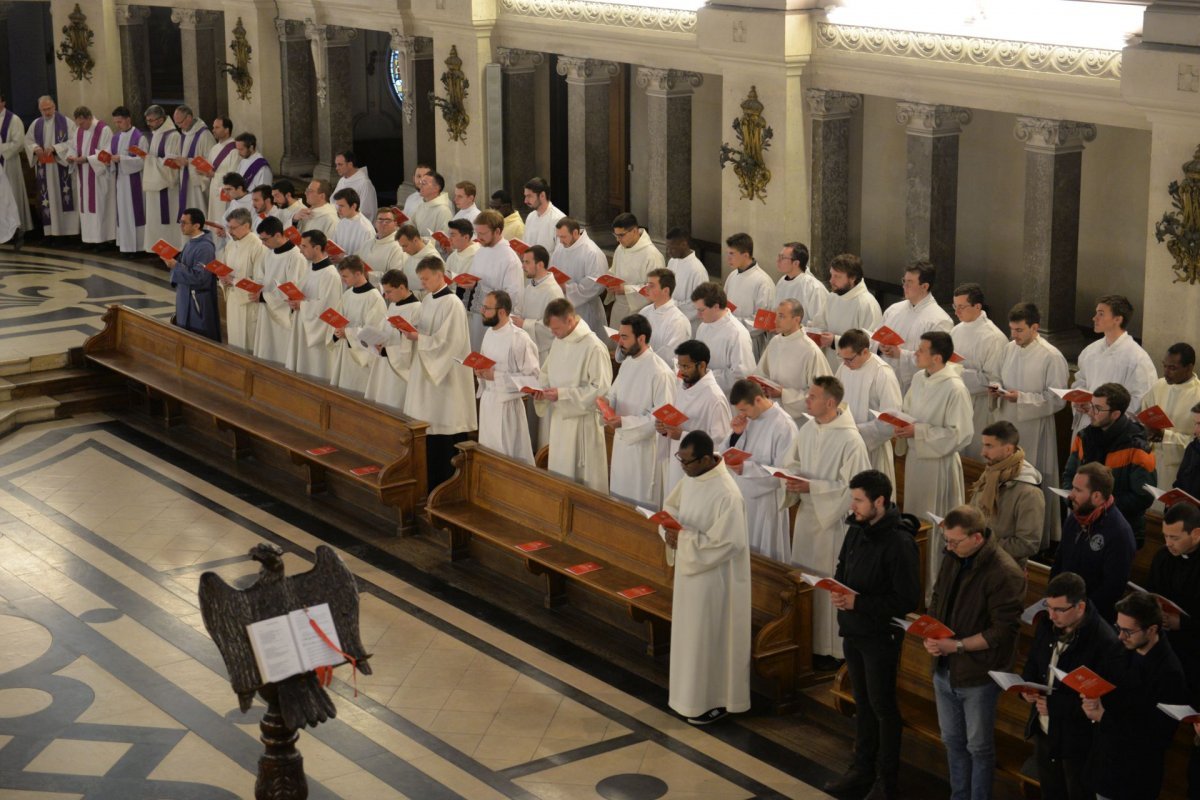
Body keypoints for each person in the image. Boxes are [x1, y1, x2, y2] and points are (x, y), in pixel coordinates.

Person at [824, 470, 921, 800]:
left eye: (858, 500)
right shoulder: (856, 528)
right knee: (862, 703)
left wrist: (858, 602)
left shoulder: (900, 541)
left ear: (880, 501)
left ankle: (885, 780)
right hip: (853, 631)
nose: (853, 506)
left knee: (882, 708)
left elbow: (907, 600)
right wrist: (838, 591)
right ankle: (861, 770)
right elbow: (842, 567)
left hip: (881, 637)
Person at [924, 505, 1025, 800]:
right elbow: (938, 595)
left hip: (978, 673)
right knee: (952, 741)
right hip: (944, 668)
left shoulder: (1005, 572)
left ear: (977, 538)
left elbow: (1003, 632)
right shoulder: (955, 556)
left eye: (955, 541)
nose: (949, 547)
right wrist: (930, 630)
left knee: (978, 748)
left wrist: (955, 645)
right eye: (947, 541)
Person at [660, 430, 751, 726]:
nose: (683, 467)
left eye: (687, 462)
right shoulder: (693, 477)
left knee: (708, 641)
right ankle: (685, 698)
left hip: (715, 580)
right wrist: (669, 532)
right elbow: (670, 508)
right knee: (689, 639)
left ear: (707, 458)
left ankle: (712, 701)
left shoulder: (727, 493)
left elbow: (729, 543)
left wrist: (684, 541)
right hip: (690, 575)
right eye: (680, 460)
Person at [785, 376, 871, 668]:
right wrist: (791, 477)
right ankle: (807, 639)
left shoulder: (851, 439)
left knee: (828, 582)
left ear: (830, 402)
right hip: (808, 519)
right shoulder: (808, 428)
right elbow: (794, 462)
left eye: (812, 396)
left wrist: (814, 489)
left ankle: (832, 650)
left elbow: (855, 489)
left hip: (833, 524)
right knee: (807, 581)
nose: (807, 400)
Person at [1019, 571, 1120, 800]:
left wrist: (1054, 707)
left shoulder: (1103, 641)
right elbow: (1034, 662)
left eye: (1059, 610)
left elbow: (1101, 698)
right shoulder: (1047, 623)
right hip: (1045, 732)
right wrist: (1027, 687)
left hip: (1077, 742)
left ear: (1080, 607)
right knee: (1050, 793)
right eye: (1049, 606)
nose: (1051, 615)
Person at [1083, 591, 1190, 800]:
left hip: (1132, 777)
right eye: (1118, 628)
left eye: (1128, 631)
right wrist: (1091, 697)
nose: (1121, 636)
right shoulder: (1119, 648)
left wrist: (1104, 717)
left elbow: (1157, 736)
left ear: (1152, 630)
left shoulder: (1170, 673)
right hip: (1103, 764)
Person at [992, 302, 1069, 549]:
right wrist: (996, 389)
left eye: (1019, 330)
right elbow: (997, 375)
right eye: (1012, 330)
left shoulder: (1051, 356)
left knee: (1030, 479)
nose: (1014, 336)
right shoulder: (1008, 348)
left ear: (1035, 327)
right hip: (1007, 421)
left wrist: (1022, 398)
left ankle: (1032, 538)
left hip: (1034, 428)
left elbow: (1058, 400)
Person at [898, 331, 974, 584]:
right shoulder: (920, 378)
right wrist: (899, 422)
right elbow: (908, 411)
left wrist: (917, 431)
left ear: (937, 357)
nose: (915, 354)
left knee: (935, 524)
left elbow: (960, 435)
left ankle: (934, 584)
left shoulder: (954, 388)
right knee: (914, 522)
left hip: (939, 465)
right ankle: (914, 577)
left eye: (921, 350)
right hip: (916, 461)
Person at [401, 256, 478, 487]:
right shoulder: (427, 300)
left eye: (425, 278)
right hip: (427, 372)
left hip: (445, 378)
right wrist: (412, 332)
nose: (422, 283)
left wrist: (419, 338)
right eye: (420, 279)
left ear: (439, 275)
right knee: (429, 428)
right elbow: (428, 332)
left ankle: (446, 484)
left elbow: (450, 343)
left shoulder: (452, 304)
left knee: (444, 429)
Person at [1146, 501, 1200, 798]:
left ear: (1197, 534)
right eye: (1165, 537)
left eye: (1175, 538)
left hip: (1194, 661)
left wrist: (1183, 623)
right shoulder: (1163, 557)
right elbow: (1151, 591)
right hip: (1164, 655)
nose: (1168, 544)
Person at [1062, 383, 1157, 547]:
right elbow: (1069, 475)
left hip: (1120, 530)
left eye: (1098, 408)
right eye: (1091, 405)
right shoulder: (1083, 437)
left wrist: (1100, 505)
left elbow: (1143, 497)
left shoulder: (1137, 447)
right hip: (1082, 521)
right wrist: (1074, 499)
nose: (1091, 412)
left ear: (1115, 414)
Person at [535, 299, 613, 492]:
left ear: (570, 320)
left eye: (556, 329)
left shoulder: (593, 346)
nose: (554, 334)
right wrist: (541, 390)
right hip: (560, 421)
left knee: (583, 484)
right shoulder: (559, 341)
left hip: (583, 425)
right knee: (560, 477)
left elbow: (601, 390)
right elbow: (546, 373)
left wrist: (562, 394)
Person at [604, 314, 677, 507]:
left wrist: (625, 422)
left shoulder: (660, 372)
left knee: (640, 507)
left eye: (625, 337)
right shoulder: (628, 362)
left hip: (645, 452)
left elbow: (662, 419)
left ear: (641, 338)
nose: (620, 342)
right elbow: (614, 393)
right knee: (619, 502)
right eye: (620, 336)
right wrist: (605, 404)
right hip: (622, 445)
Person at [725, 379, 800, 562]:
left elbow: (783, 473)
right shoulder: (750, 418)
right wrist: (736, 434)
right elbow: (733, 451)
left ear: (758, 400)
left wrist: (746, 468)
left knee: (763, 558)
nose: (742, 415)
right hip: (742, 496)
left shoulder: (784, 425)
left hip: (766, 503)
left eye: (744, 409)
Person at [1052, 462, 1137, 622]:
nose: (1070, 495)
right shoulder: (1074, 519)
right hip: (1062, 610)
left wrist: (1077, 612)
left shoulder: (1119, 534)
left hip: (1091, 619)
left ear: (1096, 496)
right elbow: (1059, 561)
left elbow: (1111, 589)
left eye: (1077, 490)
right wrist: (1053, 600)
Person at [1069, 294, 1157, 434]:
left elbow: (1141, 400)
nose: (1094, 318)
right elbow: (1081, 381)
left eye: (1101, 314)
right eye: (1096, 313)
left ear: (1117, 319)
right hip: (1087, 424)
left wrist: (1104, 413)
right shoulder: (1090, 351)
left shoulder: (1137, 358)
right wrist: (1080, 402)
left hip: (1114, 430)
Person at [659, 339, 733, 499]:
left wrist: (683, 436)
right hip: (677, 463)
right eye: (679, 366)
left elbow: (720, 443)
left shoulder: (714, 398)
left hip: (699, 472)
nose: (681, 371)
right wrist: (664, 429)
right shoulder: (682, 386)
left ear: (702, 365)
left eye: (686, 366)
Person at [967, 421, 1045, 567]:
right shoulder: (990, 474)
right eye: (983, 445)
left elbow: (1028, 544)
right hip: (976, 561)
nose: (982, 453)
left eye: (989, 446)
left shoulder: (1029, 492)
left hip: (1003, 569)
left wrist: (983, 544)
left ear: (1008, 449)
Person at [475, 290, 540, 464]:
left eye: (487, 308)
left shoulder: (519, 339)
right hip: (489, 402)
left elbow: (532, 378)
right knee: (488, 456)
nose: (482, 311)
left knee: (508, 459)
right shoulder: (489, 333)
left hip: (508, 408)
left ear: (502, 312)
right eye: (483, 307)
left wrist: (495, 375)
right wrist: (480, 372)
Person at [836, 329, 904, 485]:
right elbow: (836, 399)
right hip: (845, 444)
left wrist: (857, 432)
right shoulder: (844, 367)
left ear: (865, 351)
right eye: (842, 358)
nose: (845, 363)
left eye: (849, 359)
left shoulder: (883, 373)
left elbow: (891, 419)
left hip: (872, 449)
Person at [950, 283, 1007, 460]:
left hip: (980, 408)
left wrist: (955, 371)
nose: (957, 312)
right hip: (957, 402)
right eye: (955, 307)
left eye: (962, 307)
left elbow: (992, 379)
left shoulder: (994, 337)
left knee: (975, 455)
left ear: (977, 306)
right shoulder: (956, 330)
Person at [751, 298, 831, 424]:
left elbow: (821, 394)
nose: (775, 320)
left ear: (797, 319)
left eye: (781, 316)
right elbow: (761, 374)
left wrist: (784, 393)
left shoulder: (810, 350)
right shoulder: (775, 342)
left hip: (797, 421)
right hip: (771, 413)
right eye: (776, 315)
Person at [878, 261, 954, 393]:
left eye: (910, 283)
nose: (904, 286)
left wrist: (900, 355)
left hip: (916, 388)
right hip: (885, 380)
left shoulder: (940, 320)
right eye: (904, 281)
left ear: (924, 286)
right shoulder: (894, 310)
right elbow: (876, 334)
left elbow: (937, 361)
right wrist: (879, 346)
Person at [284, 230, 344, 381]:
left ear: (317, 248)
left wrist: (302, 306)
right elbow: (304, 294)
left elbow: (327, 309)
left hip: (316, 336)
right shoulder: (310, 268)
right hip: (303, 326)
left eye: (304, 246)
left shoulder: (330, 275)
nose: (300, 249)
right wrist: (293, 298)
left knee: (315, 373)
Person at [1142, 343, 1200, 492]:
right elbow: (1145, 416)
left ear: (1189, 367)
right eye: (1164, 366)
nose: (1166, 372)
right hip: (1151, 463)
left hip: (1180, 471)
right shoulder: (1159, 386)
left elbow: (1196, 443)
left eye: (1172, 368)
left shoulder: (1198, 395)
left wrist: (1165, 436)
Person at [811, 253, 883, 373]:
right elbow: (820, 323)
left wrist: (835, 341)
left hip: (855, 371)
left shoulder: (867, 304)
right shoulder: (832, 297)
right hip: (830, 364)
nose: (831, 281)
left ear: (852, 278)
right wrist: (813, 333)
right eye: (831, 275)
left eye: (837, 276)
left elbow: (871, 343)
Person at [363, 269, 421, 412]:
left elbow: (414, 342)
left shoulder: (417, 308)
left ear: (401, 287)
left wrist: (391, 349)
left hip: (400, 367)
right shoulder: (393, 305)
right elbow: (385, 330)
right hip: (385, 362)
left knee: (395, 406)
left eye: (389, 292)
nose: (386, 296)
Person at [465, 210, 523, 352]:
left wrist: (479, 288)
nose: (478, 238)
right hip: (477, 318)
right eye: (477, 233)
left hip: (497, 322)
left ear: (497, 231)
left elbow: (512, 298)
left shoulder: (510, 259)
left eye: (483, 234)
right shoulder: (481, 251)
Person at [252, 216, 307, 365]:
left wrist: (265, 297)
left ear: (277, 235)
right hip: (266, 309)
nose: (263, 244)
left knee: (279, 355)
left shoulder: (296, 257)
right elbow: (261, 276)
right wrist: (255, 288)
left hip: (281, 314)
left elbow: (294, 290)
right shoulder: (269, 252)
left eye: (265, 239)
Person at [160, 208, 220, 341]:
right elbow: (184, 265)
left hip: (197, 300)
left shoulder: (205, 247)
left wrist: (175, 265)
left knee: (199, 338)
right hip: (185, 296)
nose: (181, 226)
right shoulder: (191, 242)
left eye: (184, 223)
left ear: (196, 225)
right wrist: (173, 262)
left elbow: (200, 277)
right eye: (181, 222)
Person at [24, 96, 79, 240]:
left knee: (63, 198)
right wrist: (35, 148)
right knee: (48, 199)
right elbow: (28, 140)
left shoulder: (67, 123)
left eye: (49, 109)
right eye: (44, 110)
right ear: (39, 110)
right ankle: (52, 233)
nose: (47, 112)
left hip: (60, 167)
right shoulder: (36, 124)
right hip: (45, 169)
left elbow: (74, 142)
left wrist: (55, 148)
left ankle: (69, 233)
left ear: (54, 107)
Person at [329, 256, 387, 394]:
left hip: (361, 358)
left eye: (345, 276)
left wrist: (348, 334)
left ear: (358, 273)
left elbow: (373, 332)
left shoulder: (374, 298)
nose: (343, 280)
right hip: (345, 352)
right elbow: (338, 319)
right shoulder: (347, 295)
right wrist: (337, 331)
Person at [216, 207, 266, 351]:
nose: (229, 232)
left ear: (246, 226)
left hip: (248, 304)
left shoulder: (257, 246)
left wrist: (232, 280)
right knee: (234, 341)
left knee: (248, 343)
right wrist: (223, 279)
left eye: (233, 228)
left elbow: (259, 281)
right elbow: (225, 268)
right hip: (232, 300)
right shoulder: (231, 244)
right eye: (228, 227)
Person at [693, 282, 755, 397]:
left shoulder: (737, 333)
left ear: (716, 306)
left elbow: (741, 376)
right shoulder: (703, 326)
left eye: (701, 310)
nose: (698, 315)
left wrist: (705, 375)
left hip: (727, 398)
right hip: (703, 391)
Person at [550, 217, 608, 338]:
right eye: (559, 237)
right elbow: (553, 268)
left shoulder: (592, 252)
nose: (560, 241)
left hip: (585, 309)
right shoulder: (561, 247)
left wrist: (568, 289)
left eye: (563, 237)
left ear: (575, 233)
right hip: (563, 306)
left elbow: (597, 284)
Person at [722, 232, 776, 358]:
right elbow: (724, 305)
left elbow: (762, 322)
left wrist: (733, 326)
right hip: (729, 336)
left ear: (745, 255)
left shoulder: (763, 282)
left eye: (732, 254)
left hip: (750, 341)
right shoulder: (732, 276)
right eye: (727, 253)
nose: (728, 258)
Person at [606, 212, 664, 329]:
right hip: (619, 308)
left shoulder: (652, 255)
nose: (618, 240)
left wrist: (626, 290)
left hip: (640, 313)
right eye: (615, 235)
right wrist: (608, 281)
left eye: (621, 235)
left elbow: (655, 288)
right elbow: (613, 271)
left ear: (634, 231)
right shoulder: (620, 249)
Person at [68, 107, 115, 248]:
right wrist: (70, 156)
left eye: (82, 123)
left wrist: (88, 159)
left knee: (100, 207)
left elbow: (107, 153)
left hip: (99, 176)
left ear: (88, 118)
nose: (80, 127)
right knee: (86, 208)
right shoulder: (79, 130)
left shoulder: (104, 130)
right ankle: (89, 239)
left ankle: (103, 240)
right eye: (78, 124)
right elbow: (73, 147)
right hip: (84, 175)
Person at [512, 244, 564, 365]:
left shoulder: (553, 292)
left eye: (527, 262)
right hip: (527, 348)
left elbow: (553, 328)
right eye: (523, 261)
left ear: (540, 264)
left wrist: (524, 324)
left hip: (545, 354)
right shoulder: (530, 286)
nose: (523, 266)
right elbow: (520, 310)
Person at [138, 105, 181, 251]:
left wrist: (148, 159)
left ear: (161, 119)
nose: (149, 124)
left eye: (151, 120)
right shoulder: (157, 133)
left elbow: (171, 163)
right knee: (155, 219)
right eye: (147, 121)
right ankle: (159, 249)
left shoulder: (173, 136)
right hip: (155, 186)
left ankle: (171, 249)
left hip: (167, 188)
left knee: (167, 220)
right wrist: (148, 158)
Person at [637, 268, 691, 366]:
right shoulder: (644, 312)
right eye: (647, 285)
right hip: (640, 366)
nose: (646, 289)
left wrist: (641, 357)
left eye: (651, 286)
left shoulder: (678, 321)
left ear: (665, 291)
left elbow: (670, 357)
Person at [665, 228, 709, 334]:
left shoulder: (698, 270)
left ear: (683, 244)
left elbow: (700, 303)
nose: (668, 252)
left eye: (672, 248)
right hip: (671, 318)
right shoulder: (672, 262)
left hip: (689, 324)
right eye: (667, 248)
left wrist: (671, 306)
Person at [172, 104, 214, 215]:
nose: (179, 126)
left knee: (199, 213)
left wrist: (188, 162)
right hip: (184, 180)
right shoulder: (184, 134)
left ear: (189, 118)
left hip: (197, 184)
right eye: (176, 123)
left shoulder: (204, 135)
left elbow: (211, 161)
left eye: (180, 122)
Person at [774, 241, 825, 328]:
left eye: (782, 257)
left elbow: (819, 323)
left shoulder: (813, 287)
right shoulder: (782, 281)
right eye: (779, 256)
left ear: (796, 263)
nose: (778, 260)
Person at [0, 92, 31, 234]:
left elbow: (19, 143)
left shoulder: (14, 120)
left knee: (12, 194)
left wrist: (1, 149)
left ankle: (16, 229)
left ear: (3, 102)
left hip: (9, 163)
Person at [202, 116, 240, 226]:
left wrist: (214, 175)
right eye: (213, 127)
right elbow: (209, 169)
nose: (213, 130)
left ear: (227, 130)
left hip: (226, 193)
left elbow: (234, 175)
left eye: (217, 127)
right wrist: (204, 172)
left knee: (223, 223)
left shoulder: (234, 149)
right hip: (214, 191)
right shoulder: (214, 148)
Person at [355, 207, 407, 283]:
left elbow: (395, 276)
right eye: (380, 220)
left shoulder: (398, 247)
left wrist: (370, 275)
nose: (383, 223)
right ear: (375, 222)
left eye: (387, 220)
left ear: (395, 223)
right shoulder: (367, 244)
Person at [396, 223, 443, 297]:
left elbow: (436, 290)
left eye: (405, 246)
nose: (403, 250)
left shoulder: (432, 259)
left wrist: (409, 295)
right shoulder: (410, 254)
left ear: (415, 240)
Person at [330, 187, 375, 261]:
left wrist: (343, 259)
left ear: (354, 206)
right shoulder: (341, 222)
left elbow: (366, 258)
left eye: (342, 206)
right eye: (338, 206)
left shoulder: (366, 229)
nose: (338, 209)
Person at [522, 176, 565, 252]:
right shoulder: (530, 217)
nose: (525, 201)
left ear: (542, 195)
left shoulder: (559, 220)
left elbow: (561, 254)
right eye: (525, 196)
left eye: (529, 196)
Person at [333, 151, 377, 222]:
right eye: (336, 165)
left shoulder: (364, 183)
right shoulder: (342, 180)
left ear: (350, 164)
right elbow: (333, 202)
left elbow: (367, 211)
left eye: (340, 165)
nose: (336, 168)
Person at [411, 171, 453, 236]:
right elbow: (413, 226)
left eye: (424, 183)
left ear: (436, 188)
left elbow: (444, 239)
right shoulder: (421, 206)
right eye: (420, 182)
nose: (420, 186)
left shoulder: (443, 211)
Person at [444, 218, 479, 287]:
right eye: (449, 235)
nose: (449, 239)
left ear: (466, 237)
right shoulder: (452, 257)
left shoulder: (478, 256)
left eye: (453, 235)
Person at [1175, 402, 1200, 499]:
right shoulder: (1193, 447)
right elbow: (1180, 481)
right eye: (1196, 424)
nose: (1195, 431)